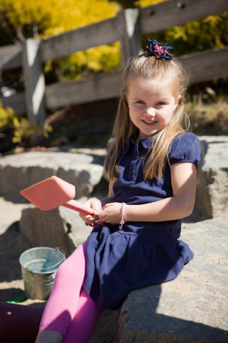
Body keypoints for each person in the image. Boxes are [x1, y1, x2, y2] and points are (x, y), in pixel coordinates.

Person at [35, 39, 201, 343]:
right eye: (140, 102)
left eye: (160, 103)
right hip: (113, 234)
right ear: (126, 100)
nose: (149, 112)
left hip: (147, 243)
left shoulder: (181, 144)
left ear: (177, 101)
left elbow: (183, 205)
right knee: (71, 278)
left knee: (89, 296)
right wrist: (99, 209)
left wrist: (122, 213)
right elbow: (115, 197)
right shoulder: (122, 146)